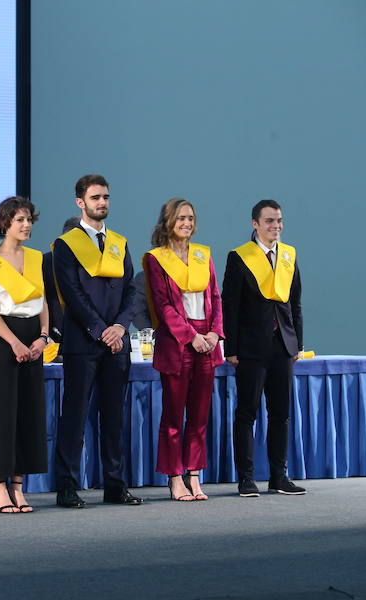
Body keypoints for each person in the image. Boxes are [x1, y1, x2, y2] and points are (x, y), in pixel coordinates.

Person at [53, 174, 142, 508]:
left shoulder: (119, 242)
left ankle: (115, 485)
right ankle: (67, 486)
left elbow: (131, 290)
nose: (102, 203)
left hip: (117, 343)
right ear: (81, 203)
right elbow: (71, 294)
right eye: (95, 198)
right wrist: (100, 329)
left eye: (105, 197)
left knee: (115, 416)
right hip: (84, 343)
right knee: (74, 417)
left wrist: (119, 327)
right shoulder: (66, 244)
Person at [222, 199, 305, 497]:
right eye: (270, 221)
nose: (276, 226)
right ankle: (246, 478)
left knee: (280, 414)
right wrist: (230, 347)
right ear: (255, 224)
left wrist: (298, 344)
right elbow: (229, 306)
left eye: (279, 220)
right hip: (250, 347)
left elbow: (294, 304)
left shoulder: (289, 255)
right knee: (247, 413)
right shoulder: (239, 257)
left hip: (283, 345)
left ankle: (278, 476)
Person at [143, 198, 224, 502]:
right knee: (174, 416)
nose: (187, 223)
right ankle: (175, 477)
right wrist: (191, 337)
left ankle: (194, 474)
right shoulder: (156, 259)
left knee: (200, 417)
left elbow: (215, 297)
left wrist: (215, 332)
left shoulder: (204, 254)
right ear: (168, 222)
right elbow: (163, 306)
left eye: (190, 218)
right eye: (180, 218)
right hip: (179, 343)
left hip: (208, 341)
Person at [0, 197, 48, 514]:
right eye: (19, 219)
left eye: (29, 219)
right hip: (4, 341)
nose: (26, 224)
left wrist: (44, 335)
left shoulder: (36, 258)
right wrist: (14, 342)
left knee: (29, 412)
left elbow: (44, 301)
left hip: (34, 339)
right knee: (2, 413)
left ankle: (18, 485)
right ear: (5, 222)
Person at [43, 216, 80, 344]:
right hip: (52, 337)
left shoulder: (94, 263)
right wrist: (44, 335)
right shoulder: (45, 262)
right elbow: (38, 301)